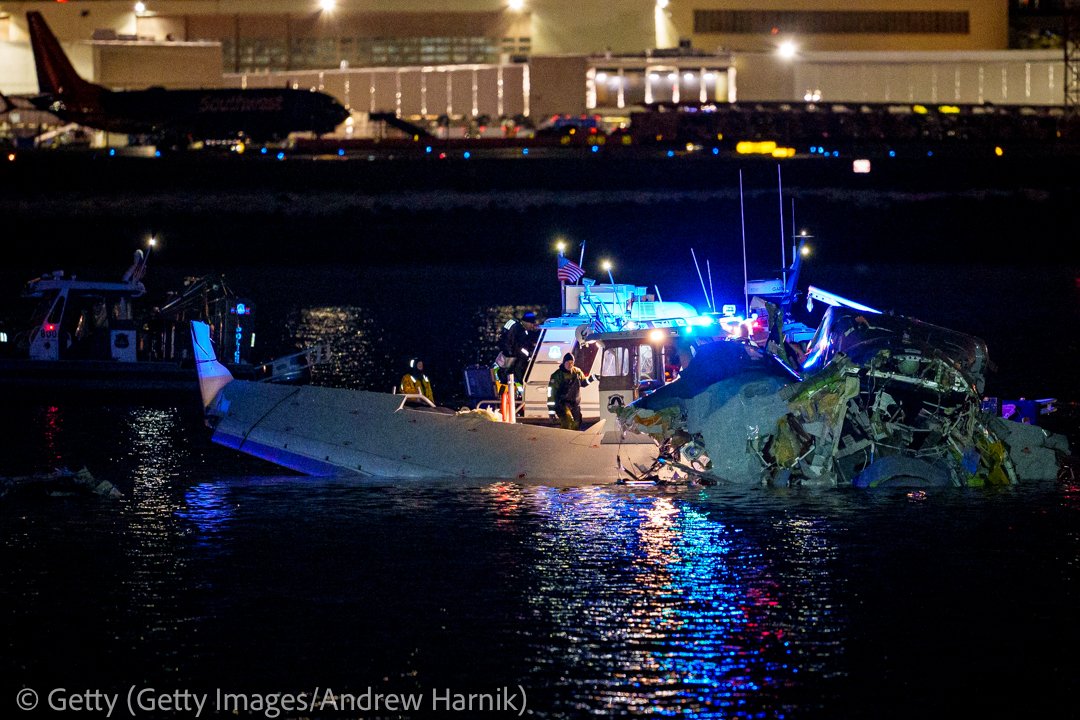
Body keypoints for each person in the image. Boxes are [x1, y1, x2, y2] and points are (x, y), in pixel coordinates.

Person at [547, 352, 595, 430]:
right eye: (568, 362)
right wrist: (551, 411)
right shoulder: (557, 375)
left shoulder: (577, 372)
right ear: (564, 363)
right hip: (562, 404)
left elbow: (583, 383)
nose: (570, 365)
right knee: (568, 421)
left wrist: (593, 378)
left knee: (577, 423)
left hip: (574, 404)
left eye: (572, 362)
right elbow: (551, 394)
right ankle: (565, 437)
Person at [496, 311, 540, 385]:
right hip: (513, 357)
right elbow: (521, 348)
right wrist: (529, 355)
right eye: (532, 324)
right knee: (518, 371)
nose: (532, 326)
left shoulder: (515, 324)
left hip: (506, 354)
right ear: (527, 322)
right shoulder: (521, 332)